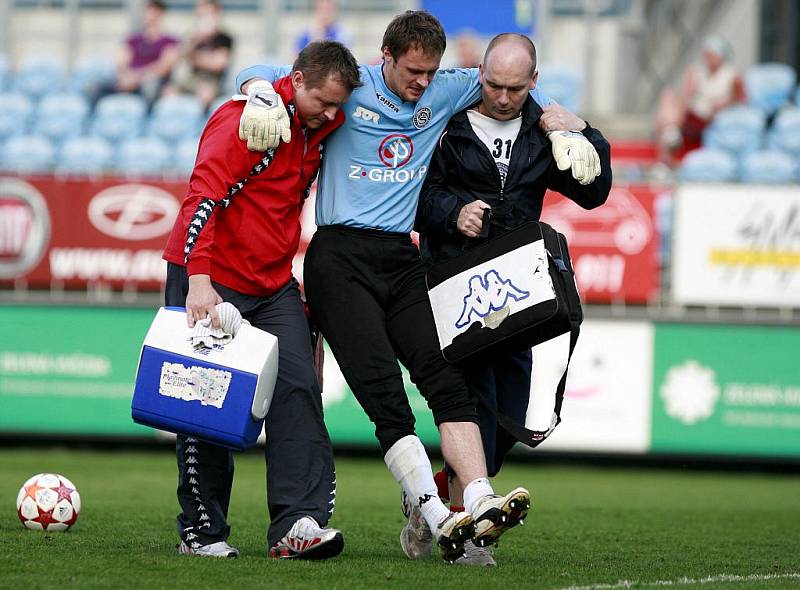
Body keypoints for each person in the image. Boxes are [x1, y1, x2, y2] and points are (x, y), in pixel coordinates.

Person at [232, 10, 600, 564]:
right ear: (385, 58)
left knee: (447, 380)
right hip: (339, 257)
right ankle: (433, 515)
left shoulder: (451, 88)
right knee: (386, 397)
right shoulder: (350, 84)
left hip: (402, 258)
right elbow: (262, 69)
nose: (422, 83)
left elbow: (509, 82)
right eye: (412, 71)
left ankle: (478, 502)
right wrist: (260, 92)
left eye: (431, 72)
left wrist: (559, 121)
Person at [160, 40, 361, 560]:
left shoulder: (319, 124)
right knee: (206, 403)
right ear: (296, 84)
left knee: (299, 387)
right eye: (324, 102)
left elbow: (281, 82)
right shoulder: (243, 122)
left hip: (273, 285)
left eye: (340, 105)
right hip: (211, 277)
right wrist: (198, 281)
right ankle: (201, 532)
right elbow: (201, 200)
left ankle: (299, 524)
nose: (333, 115)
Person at [415, 33, 611, 565]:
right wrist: (454, 212)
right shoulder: (447, 125)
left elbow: (595, 193)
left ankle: (432, 498)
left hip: (520, 290)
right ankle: (467, 536)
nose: (502, 97)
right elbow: (416, 196)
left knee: (504, 422)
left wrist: (583, 131)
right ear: (480, 74)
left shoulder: (542, 132)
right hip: (456, 285)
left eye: (514, 88)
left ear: (534, 82)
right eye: (493, 85)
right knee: (472, 404)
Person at [656, 36, 745, 163]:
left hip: (712, 115)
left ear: (721, 56)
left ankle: (671, 136)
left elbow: (741, 100)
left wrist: (726, 104)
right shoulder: (697, 71)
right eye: (706, 54)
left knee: (667, 118)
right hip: (692, 112)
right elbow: (686, 95)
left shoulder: (733, 75)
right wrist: (688, 91)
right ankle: (672, 133)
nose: (707, 58)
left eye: (711, 54)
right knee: (668, 96)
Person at [111, 0, 180, 104]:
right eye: (148, 10)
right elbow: (122, 63)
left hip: (152, 82)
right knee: (96, 87)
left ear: (162, 14)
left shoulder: (170, 41)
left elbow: (164, 67)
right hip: (129, 80)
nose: (151, 15)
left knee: (150, 87)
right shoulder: (133, 39)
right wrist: (127, 77)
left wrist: (137, 78)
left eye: (154, 11)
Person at [169, 0, 234, 109]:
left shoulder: (224, 38)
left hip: (212, 81)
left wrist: (195, 58)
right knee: (168, 92)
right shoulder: (193, 36)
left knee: (206, 94)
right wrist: (197, 40)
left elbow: (218, 65)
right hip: (191, 79)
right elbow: (180, 55)